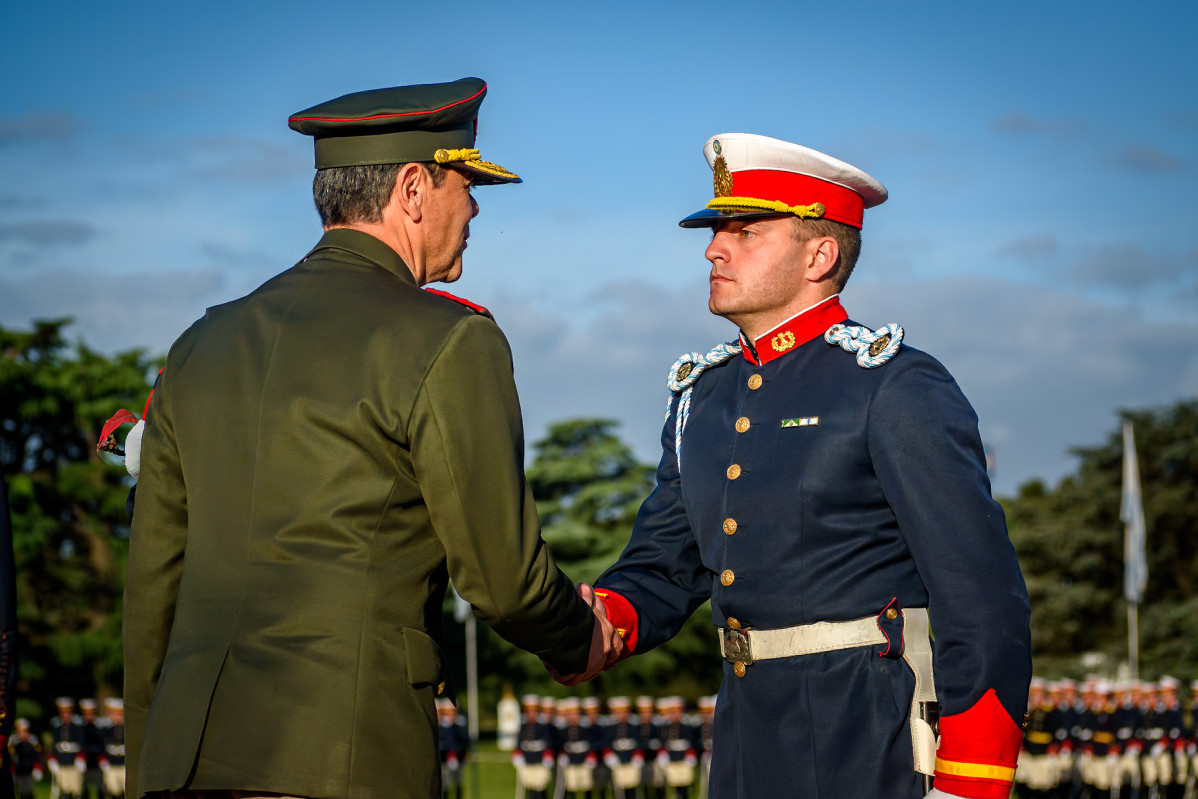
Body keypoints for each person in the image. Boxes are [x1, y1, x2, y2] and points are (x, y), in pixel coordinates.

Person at [122, 77, 621, 799]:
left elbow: (153, 592)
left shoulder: (201, 343)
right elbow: (501, 578)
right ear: (415, 190)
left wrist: (149, 765)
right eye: (466, 183)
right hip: (345, 756)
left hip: (184, 761)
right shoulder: (448, 340)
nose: (476, 206)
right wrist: (581, 637)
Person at [574, 133, 1032, 798]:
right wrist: (592, 622)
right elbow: (664, 566)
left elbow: (982, 595)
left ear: (820, 254)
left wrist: (971, 780)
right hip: (744, 726)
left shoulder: (892, 386)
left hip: (869, 727)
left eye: (746, 231)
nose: (712, 248)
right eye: (716, 231)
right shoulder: (702, 395)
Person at [8, 719, 43, 799]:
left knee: (29, 792)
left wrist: (38, 768)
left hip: (29, 771)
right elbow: (11, 758)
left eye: (24, 731)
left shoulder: (32, 741)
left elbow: (37, 756)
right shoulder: (13, 741)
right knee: (21, 793)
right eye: (20, 731)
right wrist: (11, 771)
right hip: (18, 771)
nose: (22, 733)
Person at [100, 700, 125, 799]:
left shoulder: (127, 729)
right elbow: (102, 746)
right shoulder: (107, 730)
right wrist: (103, 760)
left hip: (124, 765)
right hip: (111, 764)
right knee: (112, 790)